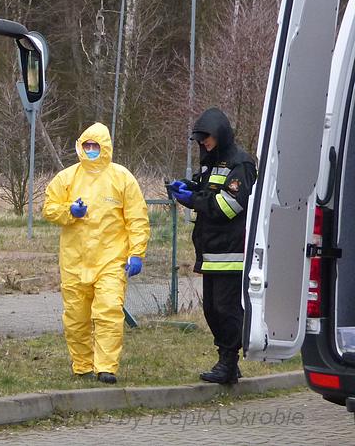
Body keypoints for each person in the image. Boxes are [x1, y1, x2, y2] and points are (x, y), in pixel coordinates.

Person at [43, 122, 150, 384]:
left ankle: (106, 367)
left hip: (111, 260)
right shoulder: (67, 178)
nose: (91, 150)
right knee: (76, 317)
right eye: (87, 145)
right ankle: (82, 365)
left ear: (106, 147)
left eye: (95, 146)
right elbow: (49, 208)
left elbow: (137, 218)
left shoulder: (122, 178)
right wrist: (70, 210)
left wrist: (136, 253)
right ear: (80, 146)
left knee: (109, 311)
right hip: (74, 261)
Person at [168, 108, 256, 384]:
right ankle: (226, 361)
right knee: (212, 311)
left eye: (207, 139)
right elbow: (209, 192)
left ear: (220, 135)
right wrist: (190, 188)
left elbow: (229, 206)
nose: (204, 144)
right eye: (201, 141)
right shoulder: (212, 163)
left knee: (226, 310)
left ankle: (228, 363)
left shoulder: (240, 164)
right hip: (212, 251)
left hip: (231, 251)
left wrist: (192, 200)